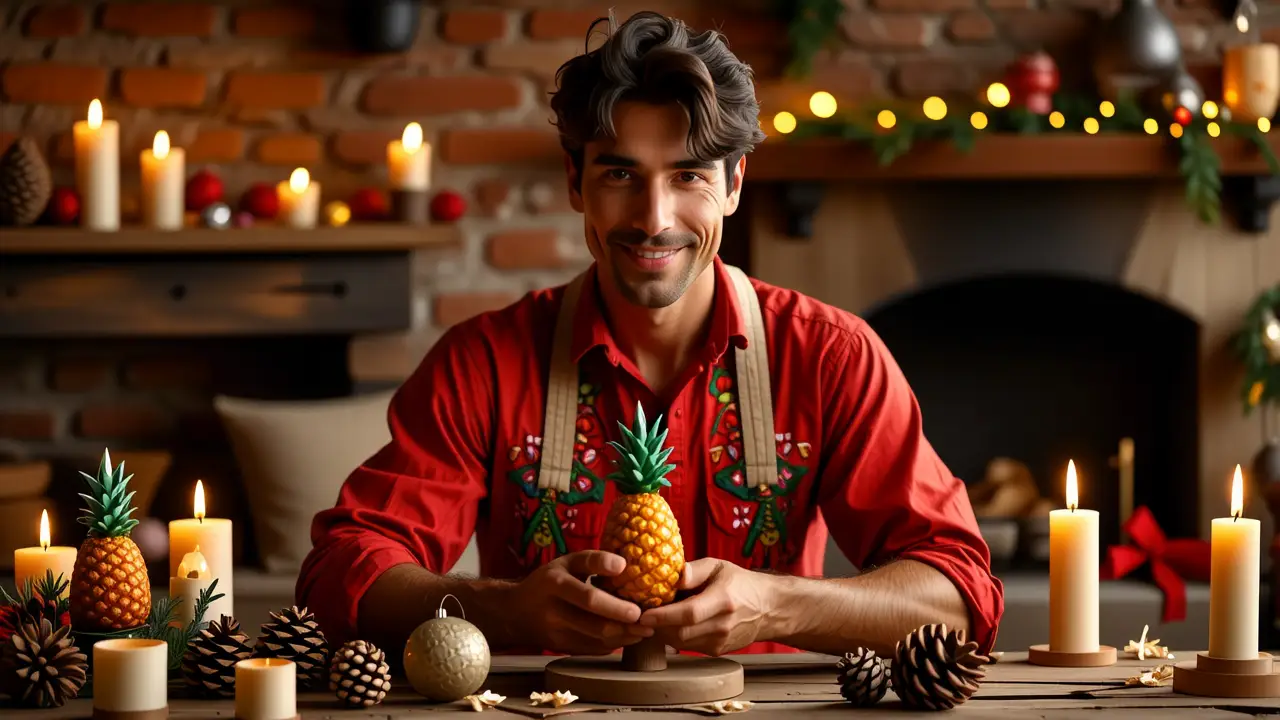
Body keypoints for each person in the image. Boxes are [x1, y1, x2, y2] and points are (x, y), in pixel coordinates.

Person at [296, 10, 1003, 659]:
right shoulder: (484, 362)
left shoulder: (829, 356)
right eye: (620, 174)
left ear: (733, 185)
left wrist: (779, 606)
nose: (654, 218)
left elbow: (960, 596)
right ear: (576, 182)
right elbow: (341, 572)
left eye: (688, 175)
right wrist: (508, 611)